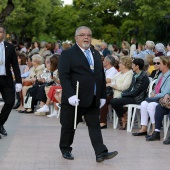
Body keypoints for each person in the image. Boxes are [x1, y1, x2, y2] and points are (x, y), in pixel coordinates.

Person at [58, 26, 118, 162]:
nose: (86, 37)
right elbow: (64, 76)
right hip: (75, 97)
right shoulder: (68, 54)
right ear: (76, 38)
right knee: (69, 125)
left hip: (93, 98)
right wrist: (70, 95)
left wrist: (102, 95)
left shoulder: (96, 54)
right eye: (83, 35)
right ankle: (65, 148)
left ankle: (101, 152)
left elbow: (100, 75)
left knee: (95, 125)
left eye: (89, 35)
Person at [132, 56, 170, 137]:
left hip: (162, 99)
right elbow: (155, 88)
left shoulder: (169, 76)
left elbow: (165, 93)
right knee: (143, 104)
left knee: (151, 105)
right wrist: (153, 92)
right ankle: (144, 128)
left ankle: (154, 129)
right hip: (157, 98)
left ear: (165, 64)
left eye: (159, 63)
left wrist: (154, 96)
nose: (157, 65)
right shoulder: (160, 75)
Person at [110, 58, 150, 130]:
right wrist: (123, 93)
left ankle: (123, 118)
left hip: (137, 98)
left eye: (133, 65)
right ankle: (123, 117)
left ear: (137, 66)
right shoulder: (135, 74)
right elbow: (130, 88)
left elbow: (135, 92)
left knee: (115, 101)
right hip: (132, 96)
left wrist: (123, 95)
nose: (131, 66)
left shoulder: (143, 77)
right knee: (114, 100)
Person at [0, 25, 22, 139]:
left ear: (3, 34)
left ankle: (0, 124)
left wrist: (19, 81)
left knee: (10, 102)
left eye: (0, 32)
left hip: (6, 79)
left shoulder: (9, 47)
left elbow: (15, 65)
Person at [100, 56, 133, 129]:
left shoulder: (129, 74)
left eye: (120, 63)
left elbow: (125, 87)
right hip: (114, 92)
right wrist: (112, 84)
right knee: (102, 98)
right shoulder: (120, 73)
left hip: (122, 94)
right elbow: (112, 81)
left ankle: (122, 116)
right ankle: (102, 121)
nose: (118, 64)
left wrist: (113, 85)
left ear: (125, 65)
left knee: (107, 99)